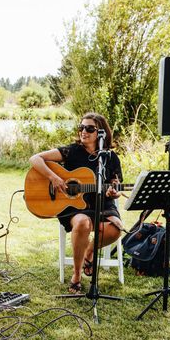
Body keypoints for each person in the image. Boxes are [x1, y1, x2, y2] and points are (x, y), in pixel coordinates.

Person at [28, 112, 123, 294]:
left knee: (116, 229)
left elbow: (115, 186)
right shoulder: (71, 151)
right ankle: (77, 276)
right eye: (81, 127)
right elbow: (35, 159)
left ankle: (88, 253)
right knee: (82, 223)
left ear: (101, 133)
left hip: (103, 205)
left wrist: (113, 191)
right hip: (74, 207)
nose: (83, 131)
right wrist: (54, 177)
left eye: (89, 128)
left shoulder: (110, 158)